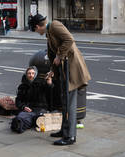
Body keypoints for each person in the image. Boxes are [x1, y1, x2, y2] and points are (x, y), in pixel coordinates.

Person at [29, 14, 91, 145]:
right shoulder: (49, 32)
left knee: (69, 103)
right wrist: (52, 70)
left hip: (72, 70)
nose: (36, 32)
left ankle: (70, 137)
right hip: (64, 70)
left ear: (37, 26)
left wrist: (59, 55)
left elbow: (69, 39)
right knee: (64, 102)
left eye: (35, 30)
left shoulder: (55, 25)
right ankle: (64, 130)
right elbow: (52, 55)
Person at [11, 66, 54, 133]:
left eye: (33, 73)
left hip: (40, 108)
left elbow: (49, 90)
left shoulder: (41, 83)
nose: (31, 75)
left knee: (37, 117)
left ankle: (23, 123)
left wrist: (49, 83)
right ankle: (20, 124)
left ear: (35, 74)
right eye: (29, 73)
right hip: (28, 109)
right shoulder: (22, 86)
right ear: (26, 74)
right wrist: (24, 107)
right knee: (23, 117)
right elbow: (18, 101)